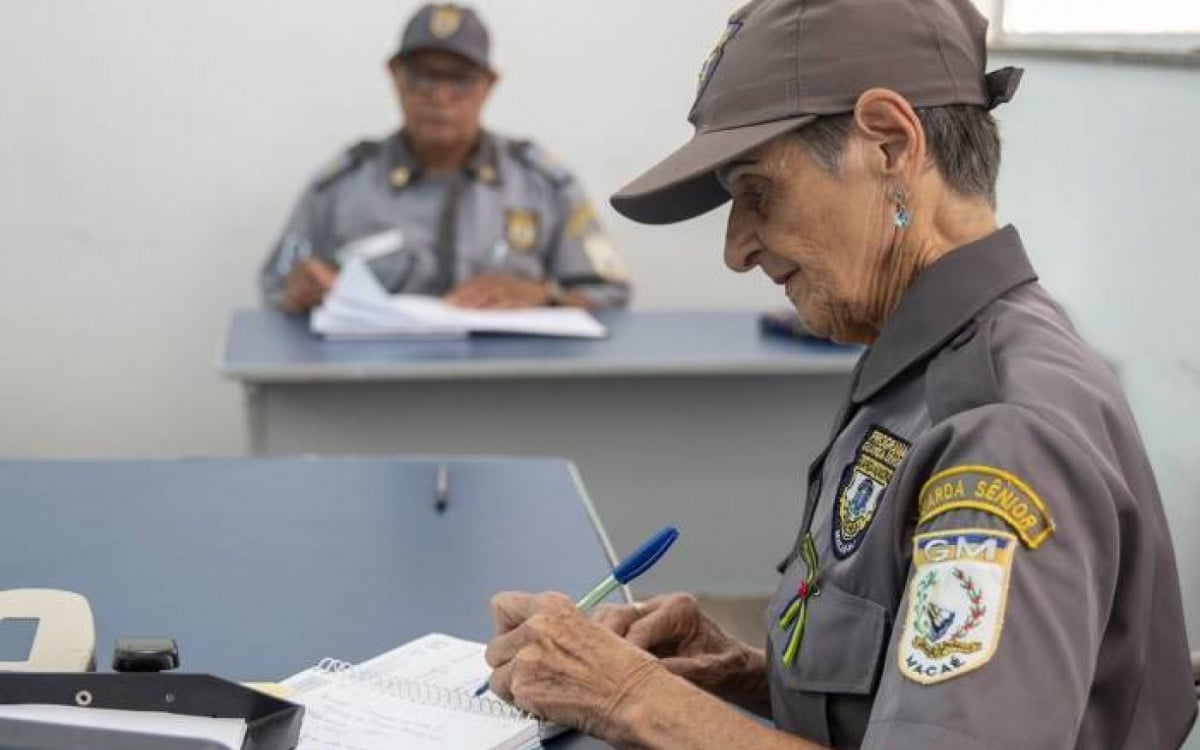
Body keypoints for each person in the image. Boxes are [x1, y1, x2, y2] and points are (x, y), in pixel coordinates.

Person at [480, 0, 1197, 748]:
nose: (737, 247)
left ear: (889, 145)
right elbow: (910, 695)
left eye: (757, 192)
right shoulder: (927, 365)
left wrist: (630, 696)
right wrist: (739, 673)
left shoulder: (1000, 428)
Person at [260, 3, 630, 314]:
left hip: (513, 390)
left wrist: (545, 296)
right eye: (423, 77)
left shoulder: (542, 183)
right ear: (395, 77)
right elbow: (278, 285)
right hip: (373, 389)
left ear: (488, 84)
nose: (440, 96)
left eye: (460, 79)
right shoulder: (341, 187)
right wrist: (300, 290)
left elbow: (610, 293)